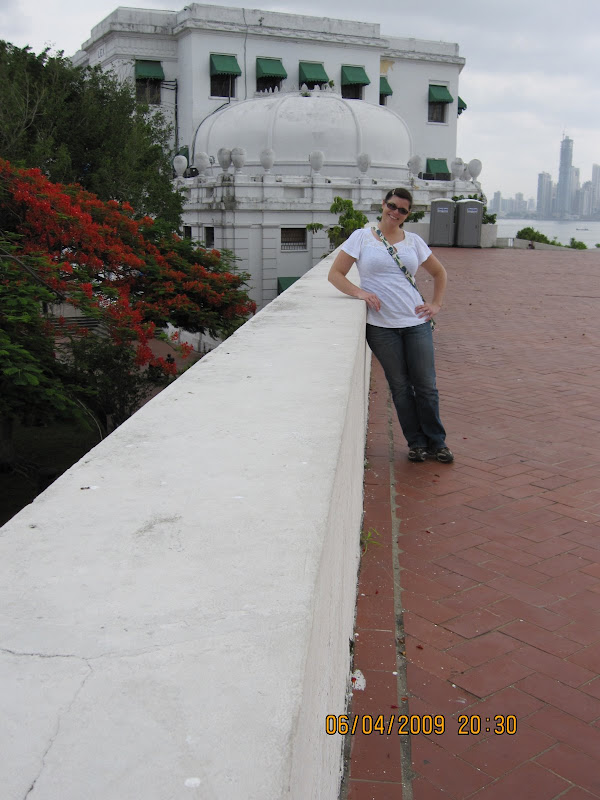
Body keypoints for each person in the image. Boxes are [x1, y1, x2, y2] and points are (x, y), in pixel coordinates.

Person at [328, 188, 453, 463]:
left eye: (402, 210)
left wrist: (436, 304)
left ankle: (437, 442)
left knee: (426, 386)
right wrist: (360, 292)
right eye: (392, 206)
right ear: (383, 204)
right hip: (381, 326)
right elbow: (335, 274)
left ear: (408, 215)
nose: (395, 213)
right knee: (400, 386)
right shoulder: (361, 237)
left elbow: (439, 272)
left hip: (416, 322)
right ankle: (416, 443)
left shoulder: (414, 241)